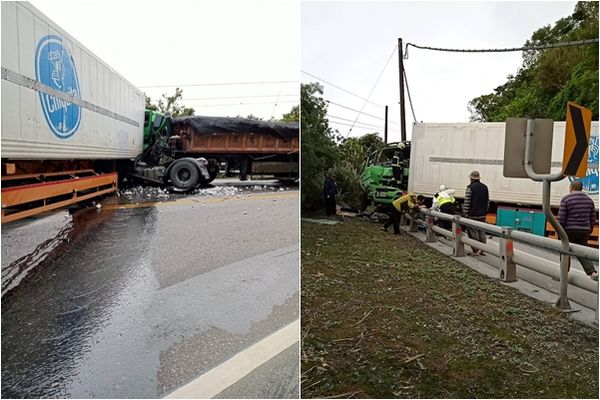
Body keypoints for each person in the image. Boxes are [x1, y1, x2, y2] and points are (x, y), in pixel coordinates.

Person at [557, 180, 598, 281]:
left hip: (569, 230)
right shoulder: (589, 200)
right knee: (582, 251)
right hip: (584, 230)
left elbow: (561, 218)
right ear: (581, 188)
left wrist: (560, 232)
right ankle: (592, 272)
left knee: (565, 250)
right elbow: (593, 217)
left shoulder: (566, 199)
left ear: (571, 187)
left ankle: (564, 275)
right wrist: (589, 229)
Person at [463, 171, 489, 255]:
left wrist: (465, 213)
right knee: (481, 231)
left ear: (471, 179)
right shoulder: (485, 187)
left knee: (472, 232)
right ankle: (483, 249)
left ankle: (475, 250)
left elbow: (467, 202)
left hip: (473, 214)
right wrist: (485, 211)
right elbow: (487, 201)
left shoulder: (470, 188)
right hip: (482, 214)